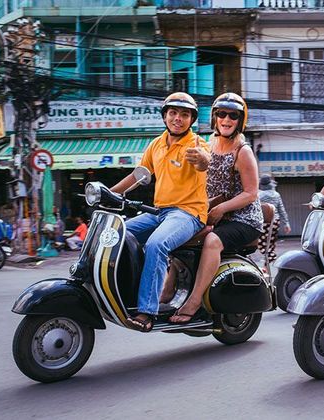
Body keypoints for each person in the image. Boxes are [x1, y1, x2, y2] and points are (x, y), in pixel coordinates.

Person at [110, 92, 211, 332]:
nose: (178, 118)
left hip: (188, 213)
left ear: (191, 119)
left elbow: (204, 162)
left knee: (156, 244)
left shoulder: (197, 144)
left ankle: (147, 311)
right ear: (165, 116)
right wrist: (107, 192)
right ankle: (125, 293)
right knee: (117, 233)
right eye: (173, 113)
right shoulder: (156, 144)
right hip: (159, 212)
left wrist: (200, 159)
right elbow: (139, 175)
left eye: (185, 114)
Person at [167, 92, 263, 324]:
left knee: (212, 241)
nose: (226, 120)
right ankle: (168, 292)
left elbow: (251, 193)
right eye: (221, 114)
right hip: (214, 215)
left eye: (233, 116)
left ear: (240, 121)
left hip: (244, 220)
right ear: (214, 118)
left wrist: (221, 209)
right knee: (175, 234)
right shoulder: (208, 144)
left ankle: (195, 300)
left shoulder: (243, 151)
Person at [258, 173, 291, 263]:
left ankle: (272, 258)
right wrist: (286, 223)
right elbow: (281, 209)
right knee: (271, 243)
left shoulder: (258, 195)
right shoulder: (276, 194)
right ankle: (267, 263)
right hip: (275, 221)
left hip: (263, 222)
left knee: (261, 244)